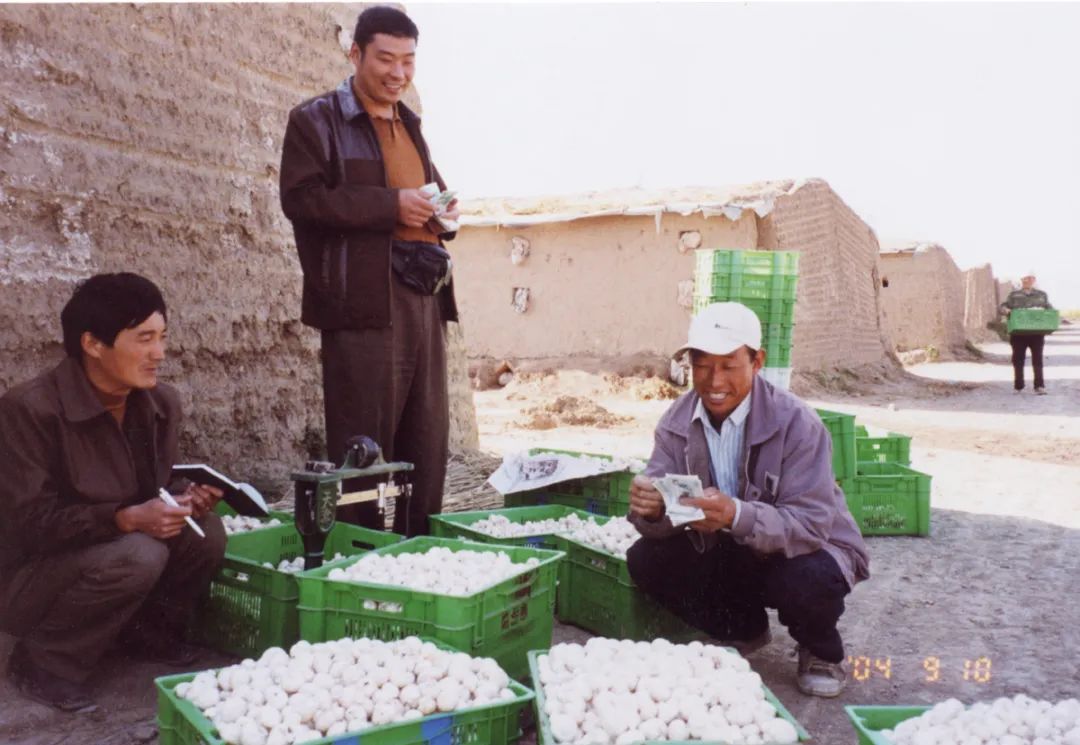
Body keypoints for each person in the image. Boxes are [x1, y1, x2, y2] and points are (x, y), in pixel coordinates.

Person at [0, 273, 226, 713]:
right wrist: (123, 518)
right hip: (26, 576)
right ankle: (43, 661)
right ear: (92, 344)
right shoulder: (28, 411)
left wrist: (184, 499)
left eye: (162, 338)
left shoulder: (160, 403)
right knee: (140, 553)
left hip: (104, 550)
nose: (158, 354)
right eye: (143, 339)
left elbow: (149, 486)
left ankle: (143, 636)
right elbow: (26, 526)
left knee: (206, 533)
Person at [626, 302, 870, 697]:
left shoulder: (797, 423)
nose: (713, 380)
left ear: (757, 362)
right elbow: (659, 499)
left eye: (728, 365)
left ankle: (822, 649)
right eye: (702, 365)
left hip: (807, 548)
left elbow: (810, 524)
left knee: (807, 581)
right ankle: (742, 629)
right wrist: (650, 509)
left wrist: (735, 514)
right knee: (645, 560)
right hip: (728, 548)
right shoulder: (676, 421)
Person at [279, 6, 458, 536]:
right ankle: (361, 558)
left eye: (408, 61)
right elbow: (302, 200)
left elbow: (427, 191)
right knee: (365, 444)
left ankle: (421, 554)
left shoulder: (409, 123)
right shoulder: (315, 120)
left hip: (423, 296)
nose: (398, 73)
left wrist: (443, 210)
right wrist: (389, 207)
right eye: (386, 58)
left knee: (426, 438)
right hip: (362, 304)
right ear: (355, 54)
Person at [999, 272, 1053, 395]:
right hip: (1018, 333)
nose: (1027, 280)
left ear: (1034, 280)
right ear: (1021, 280)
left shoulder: (1041, 295)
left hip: (1036, 333)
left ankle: (1039, 386)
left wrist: (1050, 315)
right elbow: (1002, 307)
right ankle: (1018, 387)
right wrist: (1006, 310)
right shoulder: (1014, 295)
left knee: (1037, 360)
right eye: (1025, 278)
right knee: (1018, 360)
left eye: (1030, 278)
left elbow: (1049, 309)